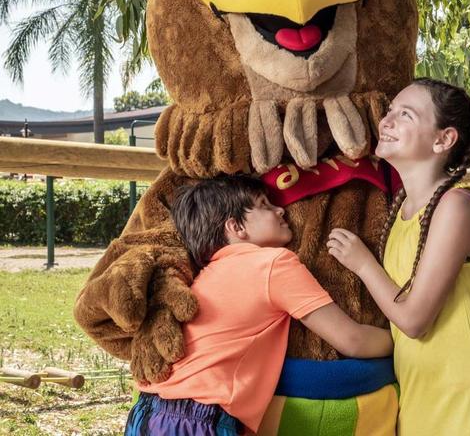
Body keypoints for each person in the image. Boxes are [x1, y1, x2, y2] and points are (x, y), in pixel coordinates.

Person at [326, 77, 470, 435]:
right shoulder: (402, 208)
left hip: (466, 385)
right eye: (389, 112)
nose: (386, 122)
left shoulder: (456, 207)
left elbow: (415, 320)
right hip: (421, 386)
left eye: (406, 115)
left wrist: (362, 264)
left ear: (443, 139)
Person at [125, 175, 394, 436]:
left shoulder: (205, 274)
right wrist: (403, 340)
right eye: (264, 205)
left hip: (146, 409)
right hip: (197, 419)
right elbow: (352, 340)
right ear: (236, 227)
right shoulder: (273, 263)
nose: (280, 210)